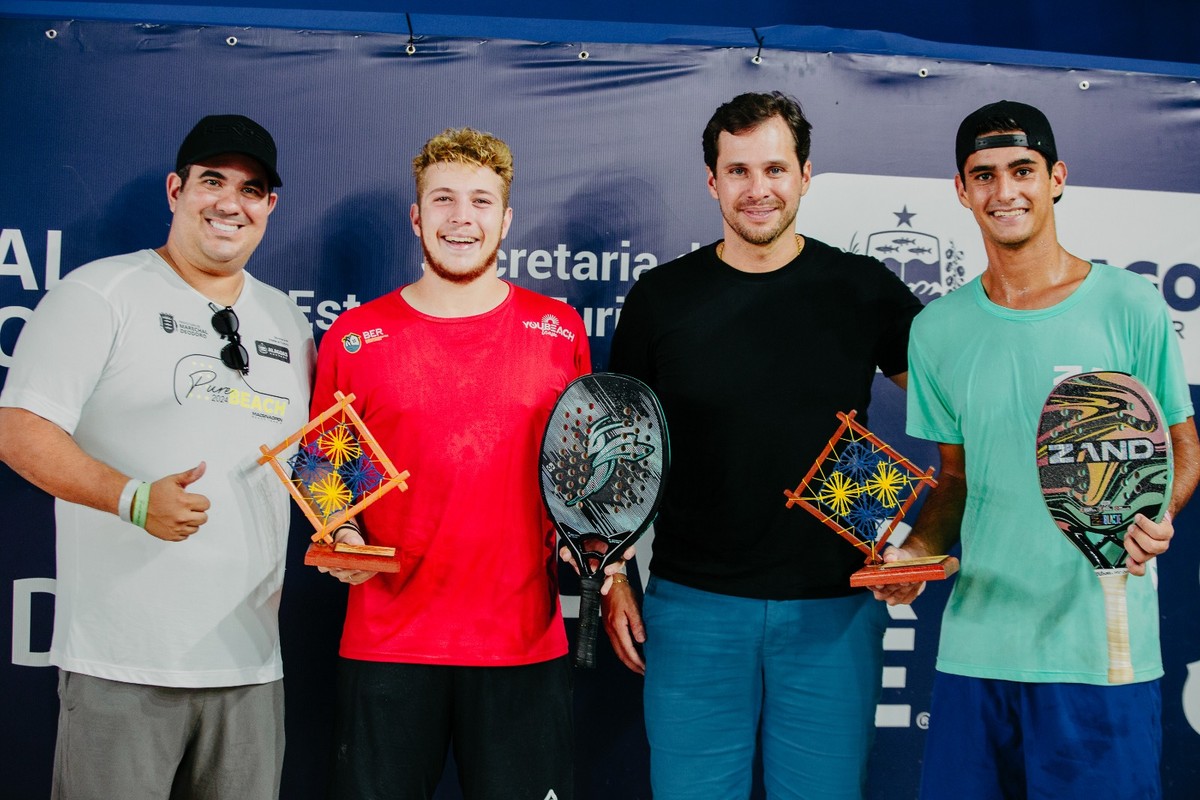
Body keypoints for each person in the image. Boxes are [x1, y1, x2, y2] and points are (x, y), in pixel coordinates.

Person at [602, 91, 924, 799]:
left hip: (834, 610)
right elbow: (619, 453)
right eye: (739, 170)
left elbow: (954, 416)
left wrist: (916, 541)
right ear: (711, 181)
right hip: (693, 606)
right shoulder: (661, 297)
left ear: (806, 175)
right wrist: (614, 573)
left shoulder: (862, 288)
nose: (758, 189)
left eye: (775, 169)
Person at [874, 100, 1200, 799]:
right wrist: (916, 553)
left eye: (1022, 170)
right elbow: (954, 480)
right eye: (983, 175)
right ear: (962, 191)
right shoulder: (937, 331)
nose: (1005, 191)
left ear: (1056, 178)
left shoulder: (1129, 305)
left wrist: (1157, 516)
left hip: (1099, 654)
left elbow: (1182, 445)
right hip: (976, 652)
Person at [0, 114, 314, 799]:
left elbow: (315, 455)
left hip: (250, 668)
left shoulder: (287, 320)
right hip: (122, 664)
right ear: (175, 190)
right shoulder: (99, 293)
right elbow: (19, 430)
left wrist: (346, 530)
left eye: (251, 189)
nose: (230, 202)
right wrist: (132, 498)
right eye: (212, 181)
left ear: (270, 207)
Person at [313, 127, 590, 800]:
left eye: (479, 201)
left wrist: (597, 547)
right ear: (416, 217)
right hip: (388, 648)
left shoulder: (559, 330)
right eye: (442, 200)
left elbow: (583, 479)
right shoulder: (355, 337)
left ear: (506, 218)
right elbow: (325, 472)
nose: (460, 218)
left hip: (522, 645)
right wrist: (343, 533)